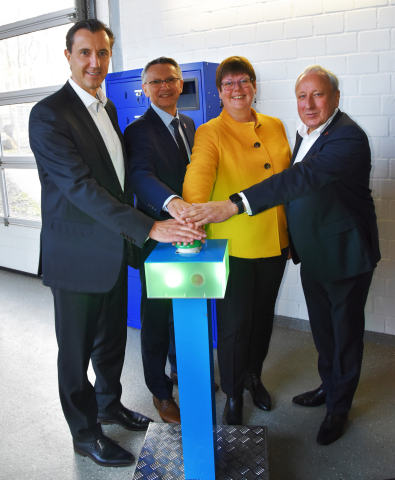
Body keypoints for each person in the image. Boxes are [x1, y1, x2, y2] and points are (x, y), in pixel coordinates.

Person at [28, 20, 205, 468]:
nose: (95, 62)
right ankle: (85, 433)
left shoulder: (106, 109)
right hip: (75, 255)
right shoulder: (49, 114)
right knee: (76, 352)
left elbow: (120, 181)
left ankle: (109, 403)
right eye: (85, 52)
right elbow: (81, 187)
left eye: (103, 52)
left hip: (110, 249)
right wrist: (149, 226)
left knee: (110, 341)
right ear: (68, 56)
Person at [180, 65, 380, 445]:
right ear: (219, 92)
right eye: (302, 96)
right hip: (292, 249)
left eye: (317, 94)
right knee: (319, 331)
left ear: (336, 97)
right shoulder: (303, 132)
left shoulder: (347, 136)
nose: (308, 103)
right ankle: (321, 387)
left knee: (344, 334)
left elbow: (298, 180)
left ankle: (339, 409)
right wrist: (194, 211)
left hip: (341, 252)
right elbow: (200, 172)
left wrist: (235, 204)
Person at [182, 56, 291, 425]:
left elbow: (287, 181)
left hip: (275, 242)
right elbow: (197, 179)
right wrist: (193, 215)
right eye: (228, 84)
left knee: (262, 318)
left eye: (244, 81)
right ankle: (232, 393)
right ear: (219, 92)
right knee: (234, 326)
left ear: (255, 86)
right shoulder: (210, 131)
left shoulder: (275, 126)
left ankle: (253, 377)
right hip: (235, 248)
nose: (237, 89)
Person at [124, 57, 194, 424]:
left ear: (181, 84)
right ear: (145, 88)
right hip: (156, 236)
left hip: (189, 235)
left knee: (182, 306)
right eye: (155, 82)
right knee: (156, 317)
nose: (163, 87)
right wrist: (172, 204)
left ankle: (181, 369)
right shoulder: (138, 130)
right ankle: (159, 391)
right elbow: (139, 176)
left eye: (170, 80)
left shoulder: (189, 124)